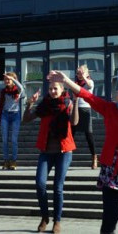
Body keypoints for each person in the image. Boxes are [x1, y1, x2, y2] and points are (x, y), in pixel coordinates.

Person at [48, 70, 118, 234]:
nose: (116, 92)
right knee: (109, 221)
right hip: (112, 172)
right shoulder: (110, 109)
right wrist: (66, 81)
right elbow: (87, 96)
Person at [23, 81, 79, 233]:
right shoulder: (44, 105)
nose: (53, 91)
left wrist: (75, 101)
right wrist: (30, 103)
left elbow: (74, 122)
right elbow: (26, 119)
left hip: (64, 151)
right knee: (40, 183)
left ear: (62, 90)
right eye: (51, 88)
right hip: (46, 151)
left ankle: (57, 221)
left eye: (56, 88)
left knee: (57, 187)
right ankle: (45, 217)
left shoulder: (67, 103)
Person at [0, 67, 26, 170]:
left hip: (15, 115)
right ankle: (6, 161)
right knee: (5, 140)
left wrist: (13, 78)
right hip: (5, 115)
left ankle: (13, 161)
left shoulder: (17, 91)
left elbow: (21, 88)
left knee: (14, 139)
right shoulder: (3, 91)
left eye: (8, 79)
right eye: (5, 79)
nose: (6, 81)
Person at [73, 65, 97, 169]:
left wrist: (85, 77)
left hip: (86, 109)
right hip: (76, 110)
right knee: (71, 133)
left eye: (82, 73)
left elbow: (90, 86)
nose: (80, 75)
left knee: (89, 135)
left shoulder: (90, 82)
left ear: (87, 73)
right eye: (78, 73)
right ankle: (64, 156)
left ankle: (94, 157)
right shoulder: (76, 83)